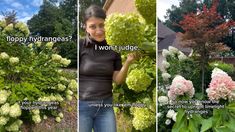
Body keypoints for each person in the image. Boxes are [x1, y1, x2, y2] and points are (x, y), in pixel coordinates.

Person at [79, 5, 138, 132]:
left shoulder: (114, 48)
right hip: (82, 107)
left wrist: (128, 62)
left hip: (105, 107)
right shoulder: (80, 45)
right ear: (86, 28)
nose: (99, 30)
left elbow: (118, 80)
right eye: (93, 26)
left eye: (102, 25)